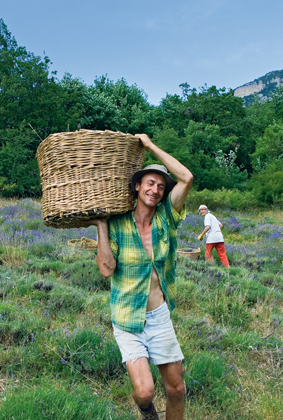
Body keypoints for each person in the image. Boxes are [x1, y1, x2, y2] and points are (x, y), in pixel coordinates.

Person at [92, 134, 193, 420]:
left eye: (161, 186)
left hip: (159, 315)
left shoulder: (166, 217)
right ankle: (147, 411)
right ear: (137, 186)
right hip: (127, 318)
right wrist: (100, 225)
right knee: (145, 391)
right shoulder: (118, 223)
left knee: (176, 389)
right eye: (150, 183)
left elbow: (186, 177)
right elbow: (105, 269)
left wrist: (149, 146)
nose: (156, 190)